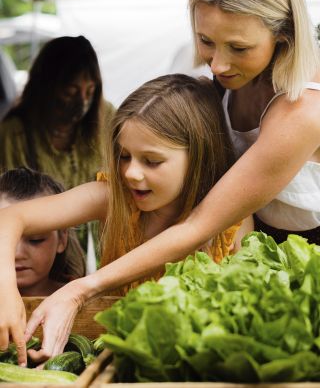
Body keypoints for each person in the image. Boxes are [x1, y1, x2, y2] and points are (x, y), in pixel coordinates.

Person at [0, 73, 252, 365]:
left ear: (199, 156)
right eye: (124, 156)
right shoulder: (112, 197)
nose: (131, 172)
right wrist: (5, 288)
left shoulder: (233, 223)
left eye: (151, 161)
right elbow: (10, 217)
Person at [0, 35, 115, 261]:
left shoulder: (106, 117)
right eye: (70, 92)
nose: (81, 101)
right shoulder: (12, 135)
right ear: (46, 86)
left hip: (93, 256)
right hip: (31, 260)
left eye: (89, 92)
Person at [0, 167, 86, 296]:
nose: (18, 254)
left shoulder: (86, 297)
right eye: (4, 239)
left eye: (35, 240)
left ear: (62, 239)